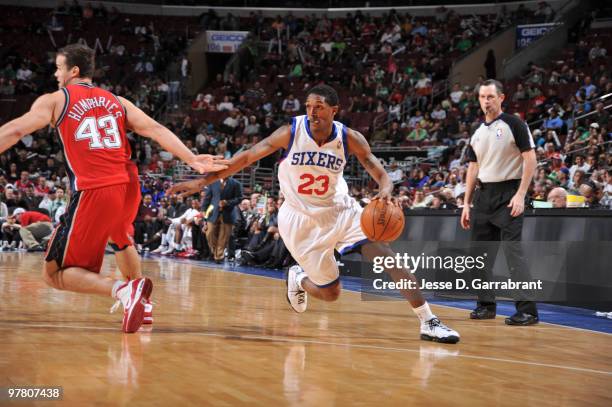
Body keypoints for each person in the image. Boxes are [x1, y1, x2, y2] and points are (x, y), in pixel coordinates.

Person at [170, 84, 460, 343]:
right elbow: (243, 159)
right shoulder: (290, 132)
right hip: (300, 220)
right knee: (331, 294)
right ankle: (299, 278)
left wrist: (385, 189)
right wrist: (200, 182)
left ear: (334, 110)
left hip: (341, 210)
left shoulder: (349, 137)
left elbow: (379, 171)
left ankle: (428, 321)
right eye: (308, 106)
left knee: (387, 257)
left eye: (319, 107)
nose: (312, 112)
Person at [0, 43, 228, 333]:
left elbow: (16, 129)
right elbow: (155, 129)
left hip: (97, 188)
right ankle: (142, 304)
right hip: (128, 183)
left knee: (54, 274)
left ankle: (124, 291)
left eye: (59, 68)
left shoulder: (56, 100)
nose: (55, 74)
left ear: (74, 70)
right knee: (121, 238)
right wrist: (192, 158)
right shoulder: (117, 101)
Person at [461, 79, 539, 326]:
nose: (486, 101)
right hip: (484, 197)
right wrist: (466, 203)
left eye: (491, 96)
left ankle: (528, 311)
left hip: (509, 193)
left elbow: (531, 159)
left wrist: (520, 194)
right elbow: (473, 167)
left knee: (513, 252)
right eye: (483, 97)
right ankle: (486, 306)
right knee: (478, 256)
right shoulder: (477, 131)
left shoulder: (514, 124)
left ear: (501, 98)